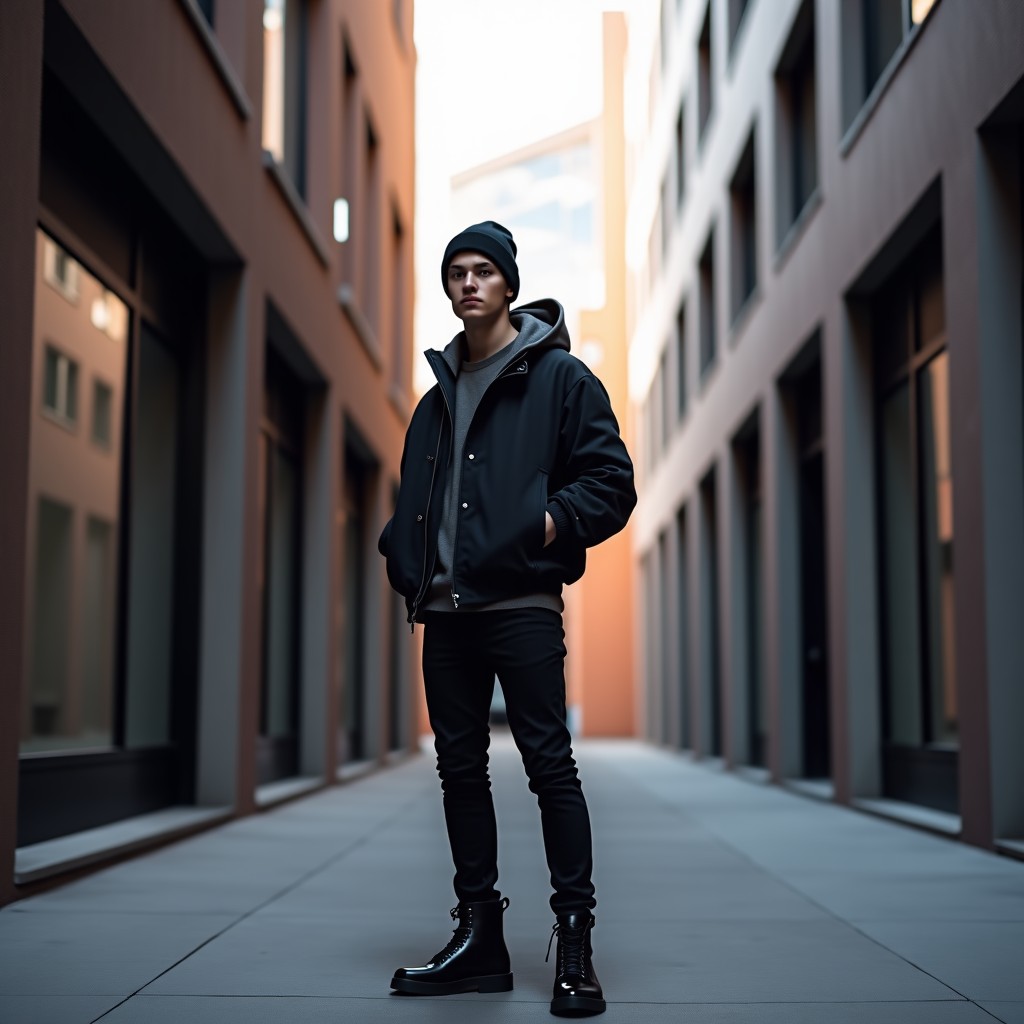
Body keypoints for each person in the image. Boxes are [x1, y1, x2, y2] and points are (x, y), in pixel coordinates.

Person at [378, 220, 635, 1018]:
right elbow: (411, 504)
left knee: (548, 767)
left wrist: (544, 525)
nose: (468, 284)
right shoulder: (434, 398)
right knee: (460, 774)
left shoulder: (561, 379)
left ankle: (575, 943)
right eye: (456, 272)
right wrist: (404, 559)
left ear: (510, 284)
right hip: (446, 615)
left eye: (483, 270)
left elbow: (610, 483)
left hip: (520, 605)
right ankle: (478, 938)